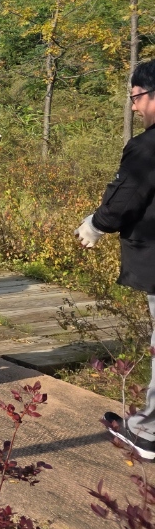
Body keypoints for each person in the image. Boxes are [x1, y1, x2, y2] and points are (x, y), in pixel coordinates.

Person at [77, 60, 155, 459]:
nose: (135, 106)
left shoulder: (148, 147)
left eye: (136, 97)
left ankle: (147, 432)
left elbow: (125, 199)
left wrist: (96, 224)